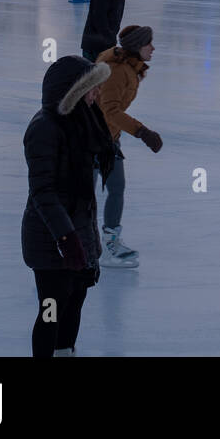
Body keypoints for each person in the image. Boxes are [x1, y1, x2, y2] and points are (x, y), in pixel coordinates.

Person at [21, 55, 113, 357]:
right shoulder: (44, 128)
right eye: (91, 88)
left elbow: (83, 196)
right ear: (72, 92)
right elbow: (43, 192)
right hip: (51, 243)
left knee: (73, 305)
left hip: (78, 236)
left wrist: (87, 244)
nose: (97, 94)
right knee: (51, 311)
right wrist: (66, 239)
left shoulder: (81, 124)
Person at [95, 25, 163, 268]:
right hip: (92, 139)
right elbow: (110, 110)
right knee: (84, 193)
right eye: (149, 44)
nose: (153, 49)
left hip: (107, 137)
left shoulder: (129, 68)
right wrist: (142, 132)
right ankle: (94, 247)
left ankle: (108, 241)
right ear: (137, 47)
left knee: (116, 187)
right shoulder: (117, 70)